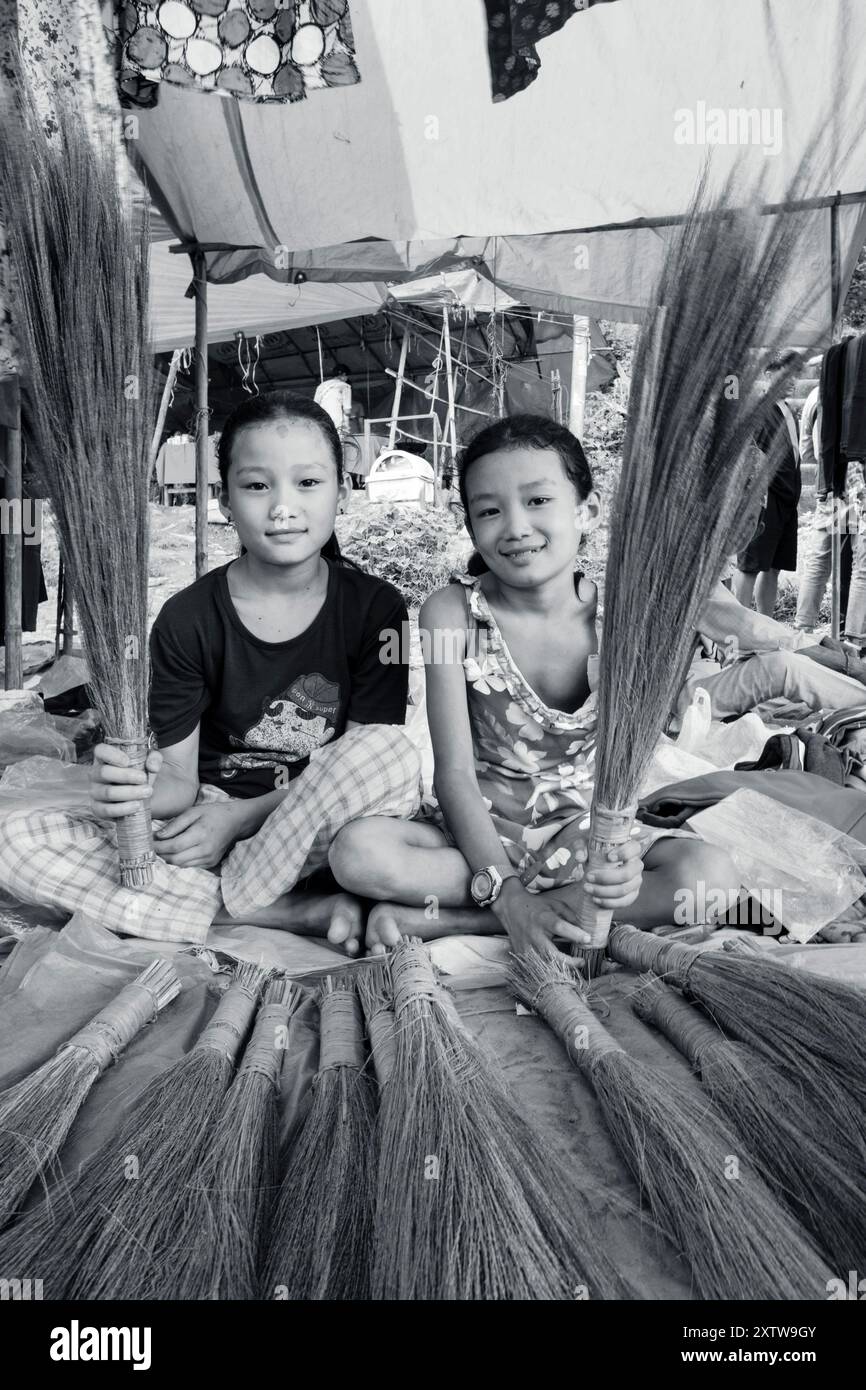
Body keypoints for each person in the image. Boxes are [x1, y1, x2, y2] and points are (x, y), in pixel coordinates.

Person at [0, 393, 421, 949]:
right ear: (224, 500)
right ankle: (285, 911)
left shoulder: (377, 608)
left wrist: (243, 822)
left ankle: (223, 902)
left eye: (308, 483)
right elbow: (178, 777)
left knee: (393, 756)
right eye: (256, 485)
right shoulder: (188, 618)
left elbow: (366, 761)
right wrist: (135, 792)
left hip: (318, 819)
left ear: (342, 492)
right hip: (209, 815)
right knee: (15, 841)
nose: (283, 508)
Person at [327, 415, 747, 957]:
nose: (516, 526)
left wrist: (617, 855)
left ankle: (466, 922)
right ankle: (515, 908)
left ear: (587, 510)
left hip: (582, 831)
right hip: (477, 833)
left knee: (710, 876)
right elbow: (453, 775)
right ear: (470, 525)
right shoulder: (454, 614)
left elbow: (631, 763)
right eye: (490, 510)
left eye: (538, 501)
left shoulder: (623, 619)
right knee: (358, 855)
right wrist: (504, 888)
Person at [733, 370, 801, 617]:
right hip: (764, 497)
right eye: (787, 373)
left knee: (773, 567)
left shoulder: (788, 411)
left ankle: (766, 627)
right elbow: (751, 456)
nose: (793, 379)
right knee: (750, 565)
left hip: (787, 498)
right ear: (769, 374)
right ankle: (739, 632)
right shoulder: (759, 408)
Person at [313, 366, 352, 435]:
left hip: (322, 419)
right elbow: (347, 410)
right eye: (347, 376)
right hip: (336, 421)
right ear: (344, 374)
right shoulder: (345, 386)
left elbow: (315, 404)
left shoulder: (321, 386)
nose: (347, 378)